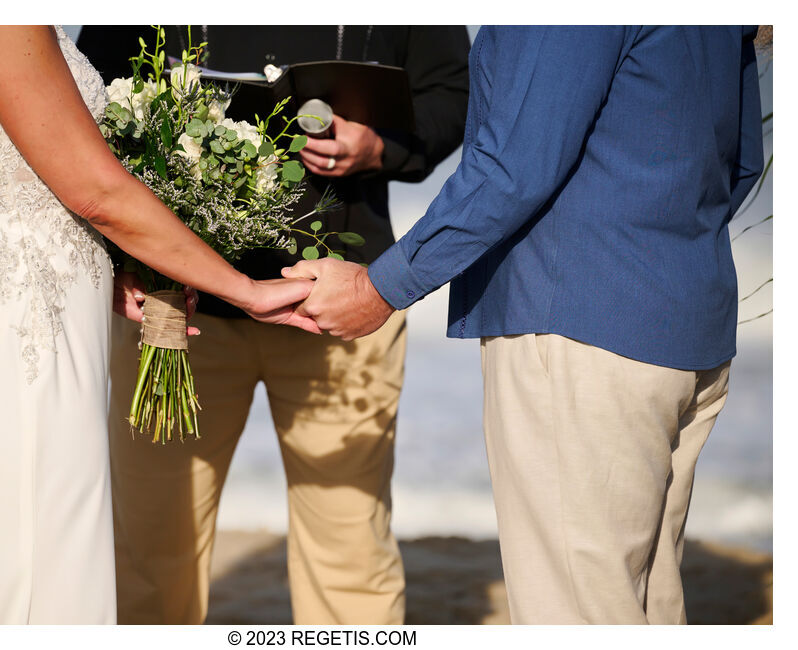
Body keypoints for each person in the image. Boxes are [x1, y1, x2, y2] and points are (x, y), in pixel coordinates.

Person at [284, 26, 764, 624]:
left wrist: (378, 287)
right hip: (687, 321)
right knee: (646, 602)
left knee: (576, 615)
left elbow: (511, 166)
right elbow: (740, 164)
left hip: (579, 332)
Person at [0, 25, 315, 624]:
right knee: (29, 566)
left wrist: (96, 274)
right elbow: (98, 191)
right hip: (21, 334)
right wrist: (246, 291)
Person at [75, 26, 470, 624]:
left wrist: (381, 148)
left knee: (350, 551)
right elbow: (91, 97)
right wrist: (114, 257)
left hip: (341, 301)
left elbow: (454, 93)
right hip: (173, 303)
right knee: (150, 547)